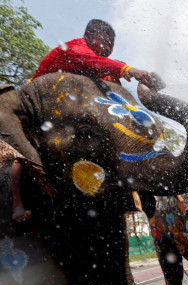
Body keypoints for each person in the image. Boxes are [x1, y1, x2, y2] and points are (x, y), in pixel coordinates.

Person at [6, 19, 158, 221]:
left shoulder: (95, 65)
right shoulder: (73, 49)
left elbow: (111, 91)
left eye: (111, 48)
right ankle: (18, 203)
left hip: (72, 121)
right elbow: (94, 62)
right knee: (24, 154)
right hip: (38, 110)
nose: (108, 51)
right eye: (106, 44)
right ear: (91, 36)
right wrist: (131, 70)